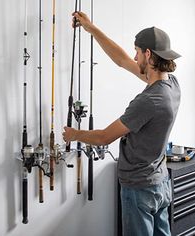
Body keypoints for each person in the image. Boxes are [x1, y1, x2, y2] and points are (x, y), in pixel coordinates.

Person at [63, 11, 181, 236]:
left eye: (137, 52)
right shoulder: (172, 84)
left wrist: (74, 134)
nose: (134, 58)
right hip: (160, 183)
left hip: (139, 189)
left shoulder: (148, 101)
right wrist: (92, 29)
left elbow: (104, 137)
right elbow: (122, 61)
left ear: (148, 54)